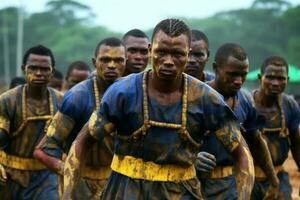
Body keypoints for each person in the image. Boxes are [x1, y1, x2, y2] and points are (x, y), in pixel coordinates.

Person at [62, 18, 254, 200]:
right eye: (161, 52)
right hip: (125, 191)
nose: (169, 60)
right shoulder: (122, 93)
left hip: (181, 192)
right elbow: (82, 142)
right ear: (150, 50)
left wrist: (244, 196)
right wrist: (67, 195)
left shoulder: (206, 99)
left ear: (187, 54)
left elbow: (242, 153)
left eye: (177, 54)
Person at [34, 37, 126, 199]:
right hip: (80, 185)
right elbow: (43, 150)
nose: (111, 65)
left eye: (118, 60)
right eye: (105, 60)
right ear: (94, 62)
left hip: (118, 183)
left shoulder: (132, 94)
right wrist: (70, 170)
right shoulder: (78, 97)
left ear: (125, 62)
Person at [196, 43, 280, 199]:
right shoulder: (196, 98)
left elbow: (256, 142)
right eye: (232, 74)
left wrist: (273, 180)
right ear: (216, 68)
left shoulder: (245, 99)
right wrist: (191, 158)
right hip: (195, 185)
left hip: (230, 186)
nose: (238, 81)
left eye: (243, 75)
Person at [0, 45, 62, 199]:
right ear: (24, 69)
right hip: (11, 176)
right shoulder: (7, 101)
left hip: (48, 177)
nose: (39, 73)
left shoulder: (62, 101)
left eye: (45, 69)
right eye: (33, 68)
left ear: (52, 72)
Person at [251, 56, 300, 200]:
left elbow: (296, 143)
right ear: (260, 78)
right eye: (270, 77)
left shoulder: (290, 105)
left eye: (280, 78)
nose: (275, 83)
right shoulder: (246, 103)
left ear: (287, 80)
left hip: (279, 177)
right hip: (249, 176)